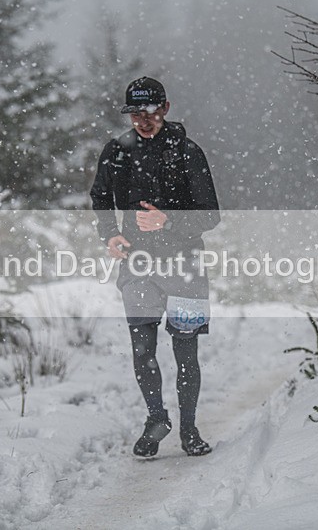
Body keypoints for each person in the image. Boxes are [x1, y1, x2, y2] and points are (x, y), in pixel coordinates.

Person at [90, 77, 220, 457]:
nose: (142, 120)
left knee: (185, 350)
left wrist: (169, 221)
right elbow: (99, 195)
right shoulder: (116, 151)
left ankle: (189, 429)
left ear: (164, 108)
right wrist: (109, 234)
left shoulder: (188, 152)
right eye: (134, 112)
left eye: (148, 111)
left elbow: (211, 215)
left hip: (186, 265)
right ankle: (156, 419)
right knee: (142, 348)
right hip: (137, 265)